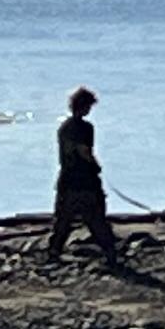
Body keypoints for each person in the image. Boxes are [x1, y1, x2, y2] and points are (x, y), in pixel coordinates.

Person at [43, 87, 127, 268]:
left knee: (63, 220)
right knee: (96, 219)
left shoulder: (64, 127)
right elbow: (84, 151)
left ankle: (54, 251)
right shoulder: (85, 128)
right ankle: (110, 252)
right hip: (84, 182)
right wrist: (95, 165)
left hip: (67, 180)